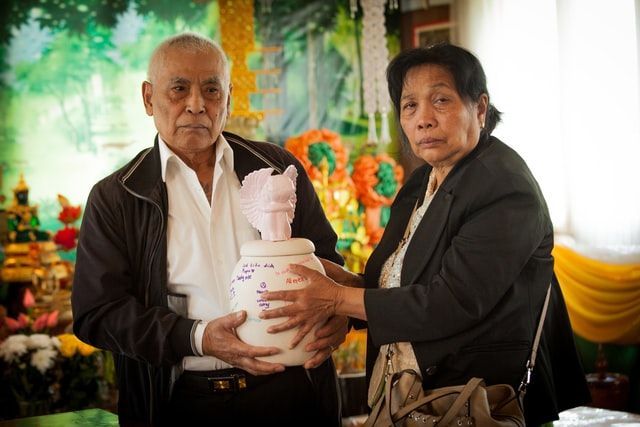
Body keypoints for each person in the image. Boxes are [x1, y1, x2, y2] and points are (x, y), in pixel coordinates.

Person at [259, 43, 591, 426]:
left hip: (473, 401)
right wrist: (346, 283)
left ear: (480, 109)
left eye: (441, 101)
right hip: (410, 399)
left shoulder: (504, 186)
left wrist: (338, 299)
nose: (423, 119)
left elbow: (452, 301)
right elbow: (403, 281)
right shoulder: (421, 183)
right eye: (410, 105)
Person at [71, 32, 347, 426]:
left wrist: (339, 313)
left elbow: (327, 265)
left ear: (228, 97)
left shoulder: (275, 168)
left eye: (211, 90)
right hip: (180, 401)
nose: (196, 105)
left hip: (291, 394)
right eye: (179, 89)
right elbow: (97, 312)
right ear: (149, 98)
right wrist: (197, 336)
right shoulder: (118, 196)